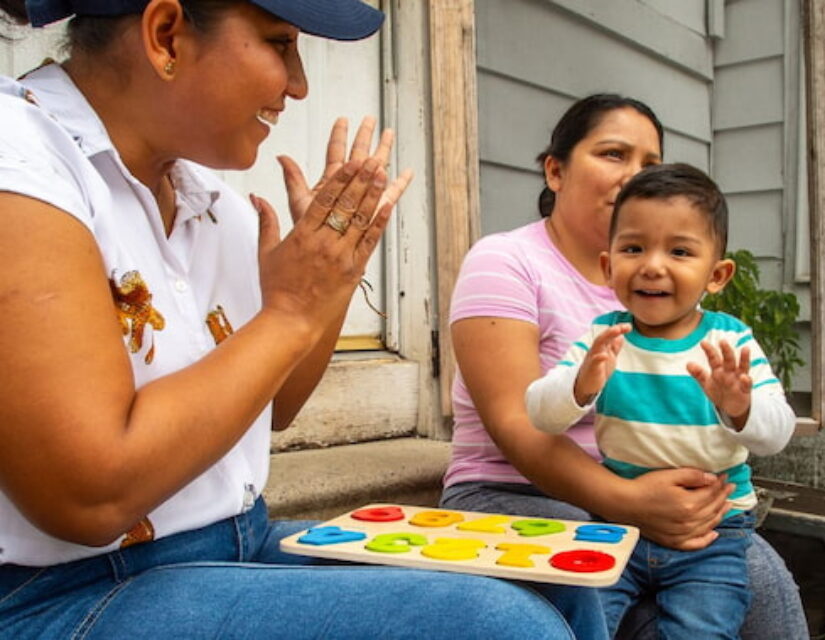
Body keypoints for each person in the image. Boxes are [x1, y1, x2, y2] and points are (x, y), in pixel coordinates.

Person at [0, 1, 593, 638]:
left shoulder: (210, 201)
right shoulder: (24, 162)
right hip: (64, 591)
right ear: (165, 34)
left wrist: (330, 279)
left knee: (554, 583)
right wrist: (290, 309)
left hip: (232, 543)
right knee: (499, 627)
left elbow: (273, 406)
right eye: (280, 43)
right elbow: (89, 498)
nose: (300, 82)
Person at [440, 94, 810, 639]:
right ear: (556, 169)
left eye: (648, 163)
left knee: (764, 582)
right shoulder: (506, 261)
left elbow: (756, 419)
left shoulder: (672, 297)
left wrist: (731, 421)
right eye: (613, 154)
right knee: (597, 579)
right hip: (516, 489)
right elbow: (519, 425)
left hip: (646, 493)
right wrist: (630, 503)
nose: (632, 176)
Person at [524, 163, 796, 638]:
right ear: (609, 266)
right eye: (633, 248)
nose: (652, 265)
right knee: (579, 624)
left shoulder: (730, 342)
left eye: (679, 251)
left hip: (712, 536)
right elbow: (539, 415)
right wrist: (580, 385)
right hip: (616, 525)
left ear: (716, 275)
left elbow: (777, 433)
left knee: (701, 630)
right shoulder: (603, 338)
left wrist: (740, 406)